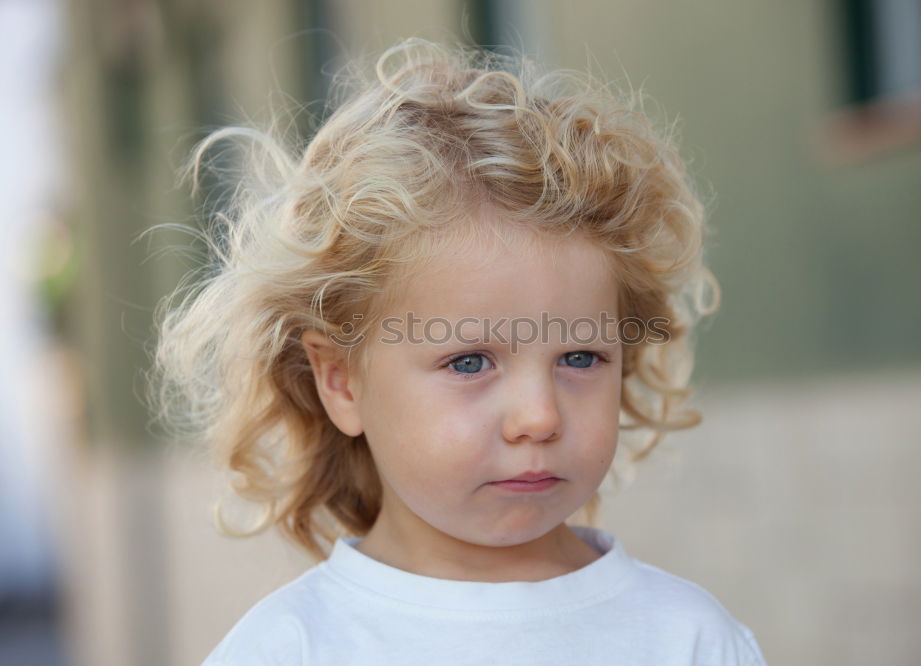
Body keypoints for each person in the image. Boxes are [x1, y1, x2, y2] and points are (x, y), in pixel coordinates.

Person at [150, 37, 768, 665]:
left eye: (579, 358)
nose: (540, 417)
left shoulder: (689, 640)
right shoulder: (288, 650)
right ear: (340, 381)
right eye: (469, 361)